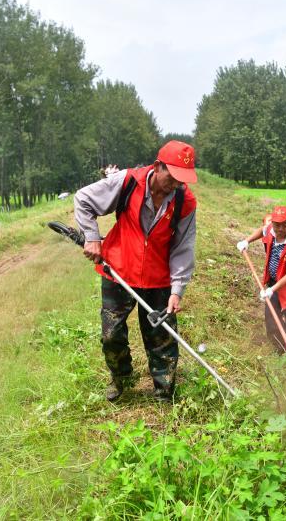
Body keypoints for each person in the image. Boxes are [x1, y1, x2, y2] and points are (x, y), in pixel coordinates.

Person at [74, 141, 198, 402]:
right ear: (157, 166)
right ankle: (121, 378)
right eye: (173, 177)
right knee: (111, 335)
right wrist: (92, 237)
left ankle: (164, 391)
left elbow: (183, 248)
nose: (176, 184)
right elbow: (83, 199)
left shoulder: (185, 201)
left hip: (158, 277)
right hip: (118, 269)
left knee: (162, 337)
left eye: (182, 180)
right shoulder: (127, 181)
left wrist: (177, 290)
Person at [237, 206, 286, 355]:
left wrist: (271, 290)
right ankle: (281, 351)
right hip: (274, 283)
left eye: (284, 225)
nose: (280, 229)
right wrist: (247, 241)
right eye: (277, 225)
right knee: (271, 321)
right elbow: (262, 230)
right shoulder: (271, 229)